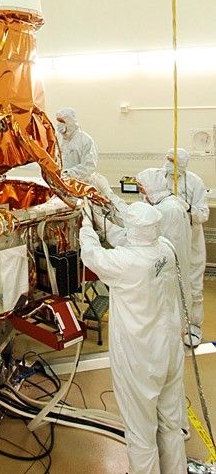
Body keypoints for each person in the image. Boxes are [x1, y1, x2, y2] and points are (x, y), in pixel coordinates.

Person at [80, 201, 187, 474]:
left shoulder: (125, 262)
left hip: (140, 358)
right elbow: (125, 238)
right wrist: (100, 218)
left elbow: (91, 255)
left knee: (140, 432)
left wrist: (85, 223)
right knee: (171, 424)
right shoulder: (165, 248)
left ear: (134, 229)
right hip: (170, 350)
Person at [163, 148, 209, 347]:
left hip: (191, 244)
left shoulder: (195, 182)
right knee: (168, 285)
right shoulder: (160, 179)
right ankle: (170, 326)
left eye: (173, 161)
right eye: (167, 160)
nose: (168, 164)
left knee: (194, 286)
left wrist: (187, 208)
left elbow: (203, 214)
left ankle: (194, 326)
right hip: (167, 242)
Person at [136, 168, 192, 322]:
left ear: (151, 187)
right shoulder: (170, 203)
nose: (141, 192)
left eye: (142, 188)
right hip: (172, 267)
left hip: (169, 270)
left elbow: (151, 237)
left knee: (171, 309)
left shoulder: (167, 209)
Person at [55, 107, 98, 183]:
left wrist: (68, 173)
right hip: (61, 183)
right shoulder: (58, 138)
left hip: (81, 185)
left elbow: (88, 166)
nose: (59, 124)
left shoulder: (85, 140)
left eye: (62, 121)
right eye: (58, 121)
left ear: (70, 122)